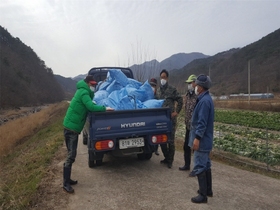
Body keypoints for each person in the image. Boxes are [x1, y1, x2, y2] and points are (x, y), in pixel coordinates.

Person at [62, 75, 114, 193]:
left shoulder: (83, 91)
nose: (93, 86)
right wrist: (105, 108)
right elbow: (90, 107)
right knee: (71, 155)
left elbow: (90, 103)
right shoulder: (83, 92)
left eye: (94, 85)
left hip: (70, 127)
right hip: (71, 128)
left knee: (71, 155)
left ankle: (67, 179)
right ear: (86, 83)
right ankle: (65, 183)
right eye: (92, 84)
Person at [188, 74, 214, 203]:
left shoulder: (204, 102)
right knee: (206, 164)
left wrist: (197, 138)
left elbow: (202, 123)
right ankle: (208, 190)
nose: (195, 87)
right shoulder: (206, 99)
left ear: (201, 87)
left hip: (202, 140)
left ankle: (203, 195)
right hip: (206, 139)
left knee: (199, 165)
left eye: (197, 85)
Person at [156, 69, 183, 168]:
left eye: (164, 77)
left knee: (170, 141)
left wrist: (176, 112)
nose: (162, 79)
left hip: (170, 120)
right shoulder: (158, 91)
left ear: (167, 78)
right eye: (161, 77)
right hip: (161, 120)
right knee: (162, 141)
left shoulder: (172, 89)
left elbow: (180, 100)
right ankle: (166, 157)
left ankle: (170, 161)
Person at [179, 74, 197, 178]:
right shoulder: (187, 95)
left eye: (190, 83)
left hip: (195, 127)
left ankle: (196, 168)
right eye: (188, 83)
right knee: (186, 146)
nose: (189, 85)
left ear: (195, 83)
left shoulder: (198, 97)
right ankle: (187, 165)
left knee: (195, 148)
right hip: (188, 126)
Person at [149, 78, 159, 155]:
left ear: (156, 86)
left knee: (156, 134)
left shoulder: (158, 95)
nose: (152, 87)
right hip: (149, 119)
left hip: (156, 118)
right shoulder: (147, 94)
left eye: (153, 85)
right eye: (151, 85)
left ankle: (155, 149)